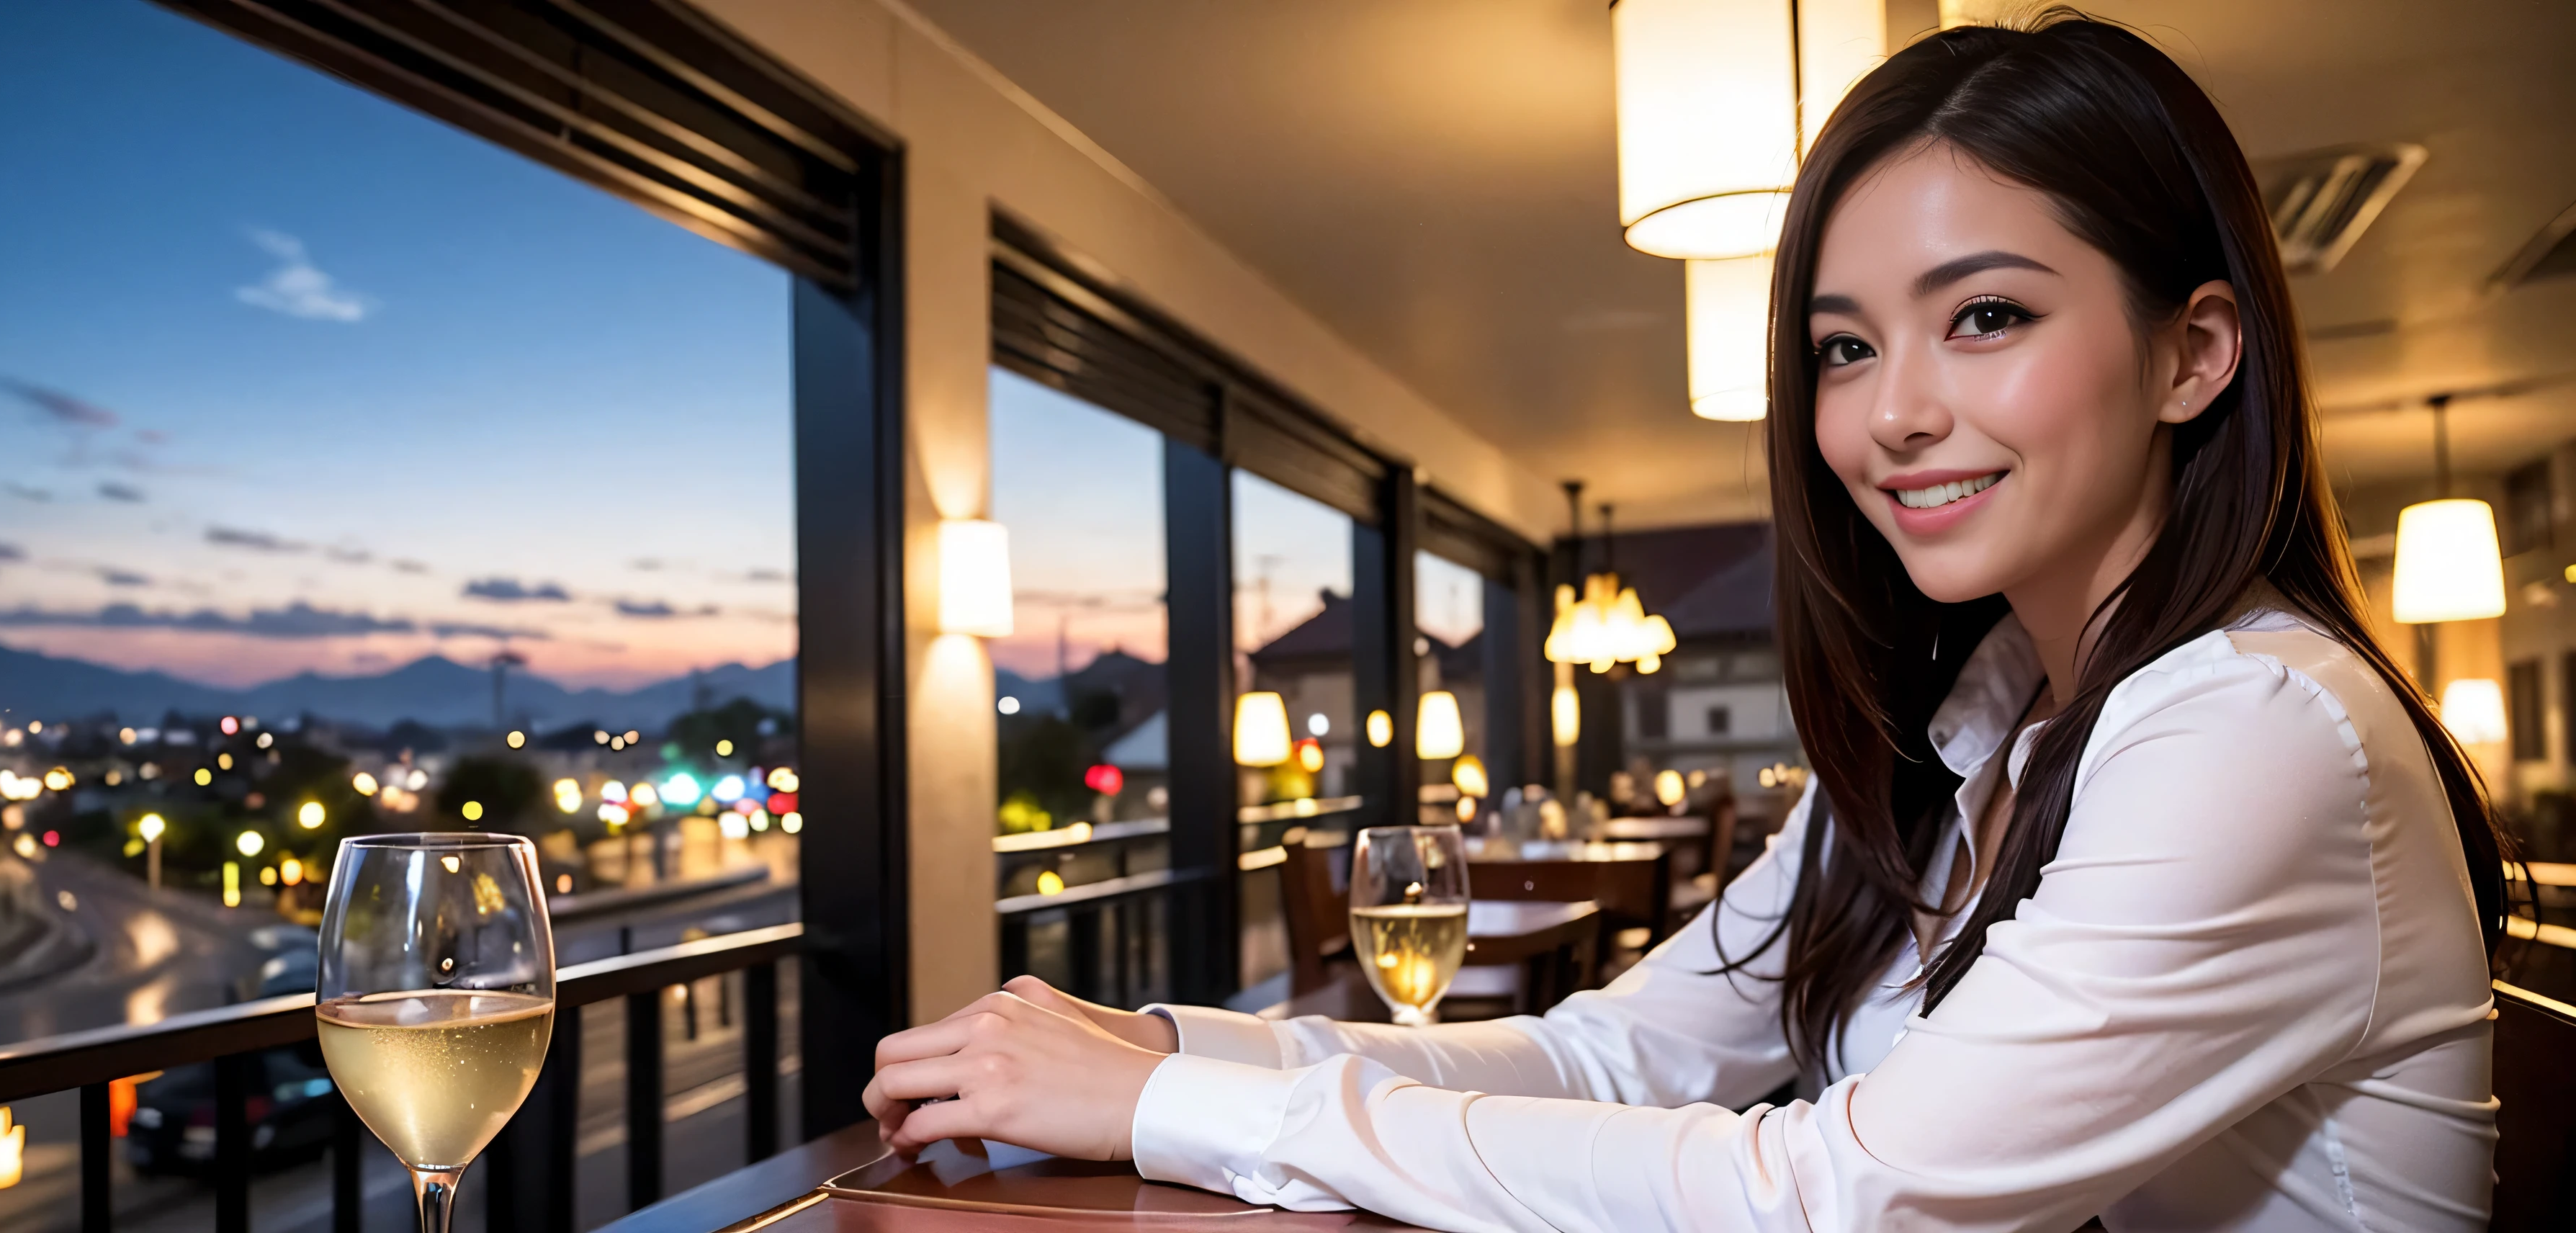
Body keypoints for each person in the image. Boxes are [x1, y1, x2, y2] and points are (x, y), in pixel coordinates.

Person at [861, 12, 2516, 1232]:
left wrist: (1169, 1105)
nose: (1890, 416)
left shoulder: (2252, 723)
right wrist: (1159, 1042)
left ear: (2192, 353)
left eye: (1987, 315)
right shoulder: (1979, 733)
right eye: (1845, 348)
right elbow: (1612, 1055)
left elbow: (1845, 1192)